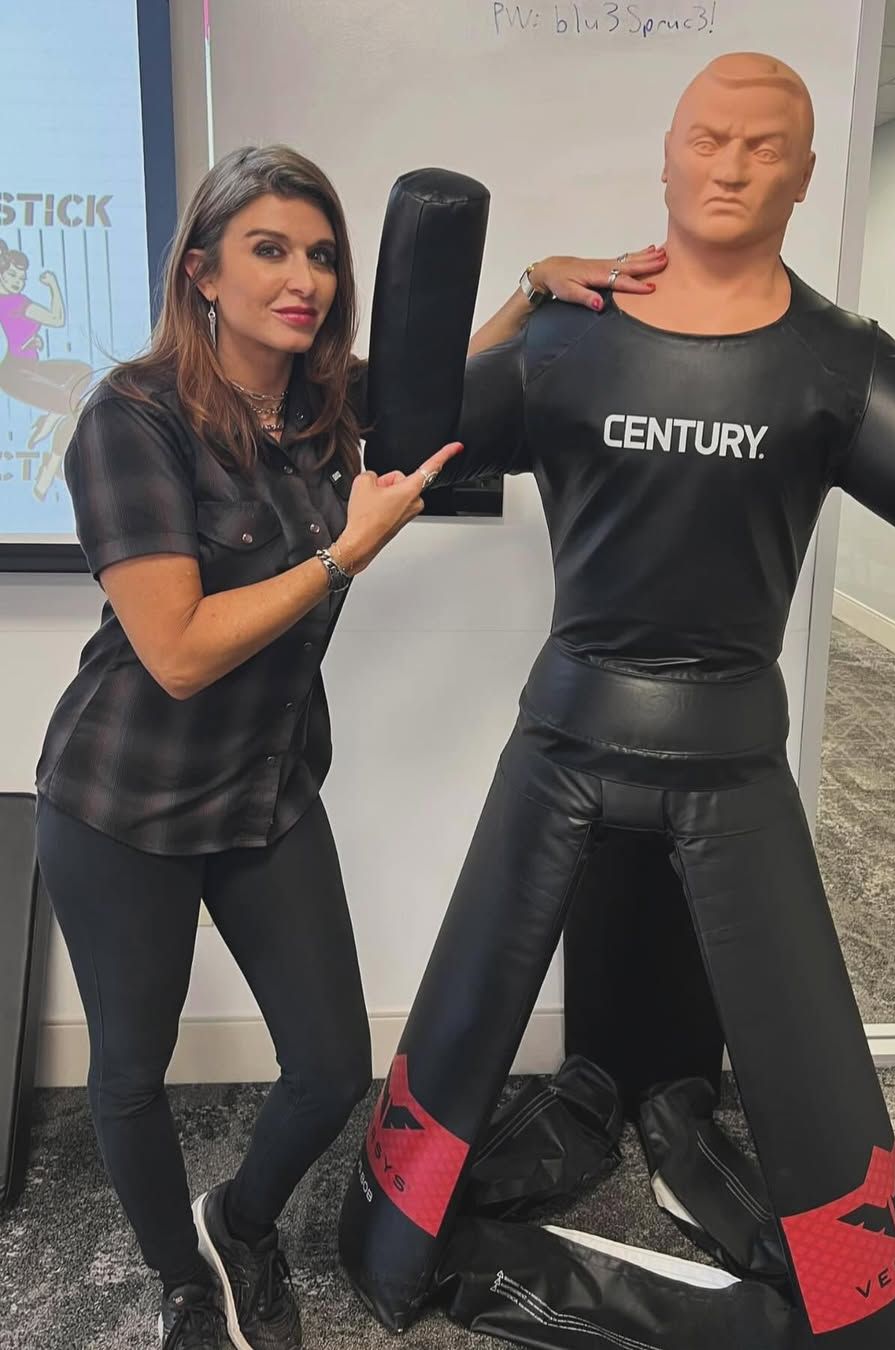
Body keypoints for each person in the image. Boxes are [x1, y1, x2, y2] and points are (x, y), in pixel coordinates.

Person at [342, 53, 895, 1349]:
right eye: (709, 139)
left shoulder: (835, 363)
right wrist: (484, 282)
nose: (732, 166)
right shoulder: (570, 336)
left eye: (764, 145)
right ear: (669, 156)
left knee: (798, 1039)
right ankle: (402, 1225)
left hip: (733, 753)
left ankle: (870, 1303)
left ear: (803, 172)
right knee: (472, 997)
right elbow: (411, 436)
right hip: (562, 736)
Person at [32, 142, 665, 1350]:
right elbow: (174, 649)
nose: (304, 277)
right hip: (122, 801)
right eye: (270, 249)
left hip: (264, 789)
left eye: (322, 254)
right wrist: (341, 556)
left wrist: (531, 290)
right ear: (203, 271)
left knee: (329, 1063)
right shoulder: (132, 416)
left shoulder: (324, 407)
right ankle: (184, 1285)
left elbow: (433, 388)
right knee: (129, 1074)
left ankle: (239, 1220)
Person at [0, 242, 93, 498]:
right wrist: (52, 285)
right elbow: (56, 319)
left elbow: (17, 333)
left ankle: (50, 417)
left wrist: (30, 342)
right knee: (78, 409)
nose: (18, 281)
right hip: (16, 374)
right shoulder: (16, 302)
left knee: (82, 371)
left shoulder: (11, 301)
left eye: (21, 277)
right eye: (12, 275)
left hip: (30, 366)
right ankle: (50, 467)